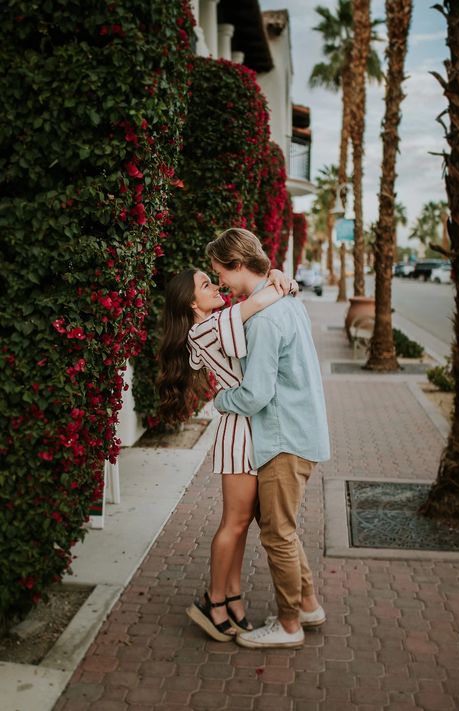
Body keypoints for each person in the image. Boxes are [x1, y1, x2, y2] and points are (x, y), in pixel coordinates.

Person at [157, 265, 296, 643]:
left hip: (250, 427)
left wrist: (278, 274)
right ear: (191, 302)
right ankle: (213, 601)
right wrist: (282, 279)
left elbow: (262, 299)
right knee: (233, 523)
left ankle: (232, 598)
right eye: (206, 284)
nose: (216, 285)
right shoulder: (205, 327)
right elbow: (265, 298)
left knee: (242, 524)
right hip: (239, 432)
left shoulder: (217, 323)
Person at [207, 227, 330, 650]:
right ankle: (309, 604)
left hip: (282, 438)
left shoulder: (262, 317)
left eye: (219, 271)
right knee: (283, 529)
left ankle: (290, 624)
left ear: (237, 265)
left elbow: (256, 394)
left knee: (278, 534)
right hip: (301, 432)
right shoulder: (288, 299)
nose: (219, 281)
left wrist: (221, 399)